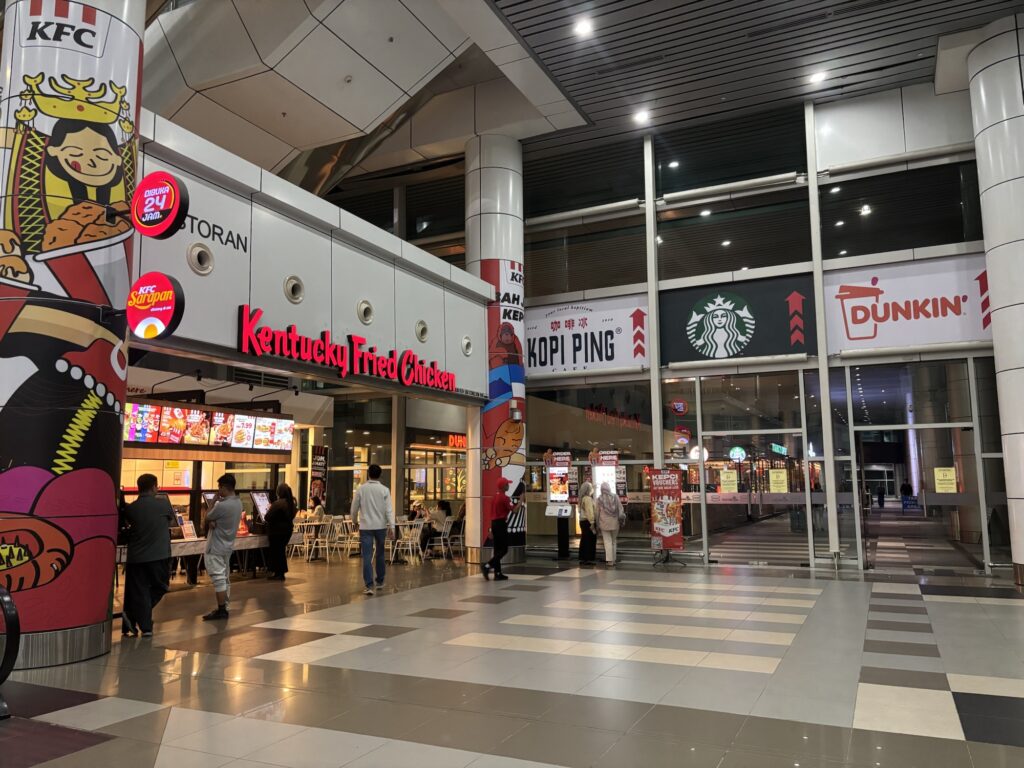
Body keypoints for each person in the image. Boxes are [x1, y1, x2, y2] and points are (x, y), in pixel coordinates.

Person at [122, 474, 173, 637]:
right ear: (154, 487)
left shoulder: (131, 508)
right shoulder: (163, 504)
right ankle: (141, 622)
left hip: (136, 557)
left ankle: (137, 621)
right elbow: (170, 522)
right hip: (159, 556)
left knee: (139, 590)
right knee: (161, 586)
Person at [202, 474, 243, 621]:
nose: (218, 491)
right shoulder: (238, 503)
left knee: (218, 578)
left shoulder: (222, 505)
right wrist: (213, 521)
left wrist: (213, 501)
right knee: (225, 577)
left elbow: (207, 516)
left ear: (224, 487)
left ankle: (221, 610)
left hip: (215, 547)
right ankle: (224, 606)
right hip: (227, 546)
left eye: (219, 488)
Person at [352, 464, 395, 596]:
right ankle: (380, 581)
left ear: (368, 474)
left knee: (367, 556)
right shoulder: (385, 490)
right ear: (380, 475)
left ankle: (369, 585)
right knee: (380, 554)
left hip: (365, 527)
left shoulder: (361, 489)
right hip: (381, 527)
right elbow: (389, 510)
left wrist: (354, 521)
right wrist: (392, 526)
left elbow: (354, 508)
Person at [265, 482, 297, 581]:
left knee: (276, 552)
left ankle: (278, 573)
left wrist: (269, 508)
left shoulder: (278, 503)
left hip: (277, 531)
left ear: (278, 492)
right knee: (280, 551)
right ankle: (280, 573)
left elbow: (267, 517)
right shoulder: (291, 503)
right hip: (287, 531)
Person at [482, 477, 512, 581]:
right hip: (501, 525)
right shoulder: (505, 498)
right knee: (504, 549)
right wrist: (521, 500)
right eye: (507, 484)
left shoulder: (494, 497)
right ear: (503, 486)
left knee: (497, 549)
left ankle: (497, 573)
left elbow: (491, 514)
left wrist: (490, 529)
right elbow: (515, 510)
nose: (508, 486)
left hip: (494, 524)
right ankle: (487, 565)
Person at [596, 482, 625, 568]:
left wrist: (597, 523)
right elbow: (620, 509)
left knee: (607, 541)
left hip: (604, 523)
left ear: (601, 489)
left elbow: (597, 512)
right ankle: (614, 559)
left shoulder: (599, 499)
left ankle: (610, 561)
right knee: (613, 541)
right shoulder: (615, 497)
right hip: (615, 522)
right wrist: (621, 519)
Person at [577, 481, 597, 566]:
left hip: (582, 521)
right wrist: (592, 522)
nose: (593, 489)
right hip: (588, 521)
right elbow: (589, 512)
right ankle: (589, 558)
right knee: (590, 540)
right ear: (588, 489)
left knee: (584, 539)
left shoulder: (581, 498)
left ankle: (583, 557)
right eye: (591, 488)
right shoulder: (588, 499)